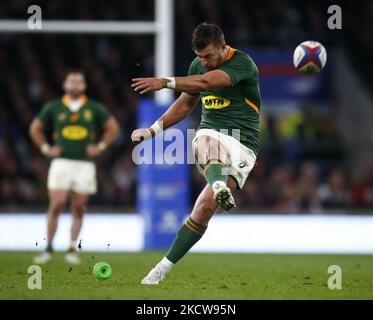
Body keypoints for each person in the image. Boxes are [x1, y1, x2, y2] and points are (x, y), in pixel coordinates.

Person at [131, 23, 261, 284]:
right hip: (211, 134)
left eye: (209, 56)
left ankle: (218, 186)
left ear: (223, 48)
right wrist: (152, 130)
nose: (204, 62)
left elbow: (207, 82)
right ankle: (159, 272)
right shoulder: (198, 65)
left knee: (204, 208)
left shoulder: (243, 63)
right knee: (204, 138)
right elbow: (185, 103)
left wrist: (165, 82)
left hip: (243, 143)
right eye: (200, 57)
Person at [29, 70, 119, 264]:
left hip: (84, 164)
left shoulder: (94, 108)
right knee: (58, 202)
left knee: (78, 206)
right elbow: (35, 127)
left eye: (79, 82)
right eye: (71, 81)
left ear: (84, 86)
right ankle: (49, 248)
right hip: (62, 162)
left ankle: (71, 248)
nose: (75, 85)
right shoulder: (54, 107)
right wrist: (46, 148)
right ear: (65, 85)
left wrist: (101, 147)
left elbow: (112, 127)